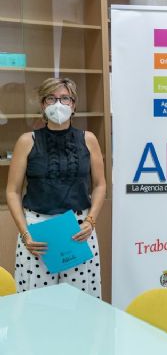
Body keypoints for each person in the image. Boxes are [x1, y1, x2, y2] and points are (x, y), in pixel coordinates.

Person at [6, 77, 106, 298]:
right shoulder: (27, 141)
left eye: (64, 98)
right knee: (37, 301)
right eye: (51, 98)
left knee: (80, 301)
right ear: (43, 104)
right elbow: (12, 191)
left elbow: (100, 185)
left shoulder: (88, 139)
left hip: (79, 229)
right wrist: (25, 233)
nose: (58, 104)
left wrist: (91, 221)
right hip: (37, 233)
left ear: (74, 104)